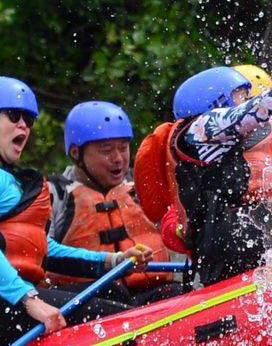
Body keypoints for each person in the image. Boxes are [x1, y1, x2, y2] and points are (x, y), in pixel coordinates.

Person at [0, 76, 145, 346]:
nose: (24, 125)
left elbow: (44, 250)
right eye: (14, 116)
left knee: (115, 292)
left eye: (28, 119)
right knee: (118, 320)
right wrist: (29, 300)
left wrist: (111, 262)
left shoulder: (2, 177)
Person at [138, 64, 272, 286]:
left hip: (253, 229)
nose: (246, 100)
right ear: (216, 101)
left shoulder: (234, 136)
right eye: (240, 96)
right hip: (227, 246)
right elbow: (260, 108)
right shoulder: (201, 129)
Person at [46, 100, 175, 302]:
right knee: (112, 293)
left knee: (177, 291)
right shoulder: (55, 194)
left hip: (154, 295)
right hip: (90, 300)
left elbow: (175, 232)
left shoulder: (142, 186)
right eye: (106, 150)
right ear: (75, 153)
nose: (118, 158)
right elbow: (42, 253)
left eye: (123, 148)